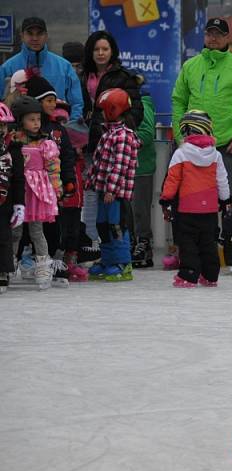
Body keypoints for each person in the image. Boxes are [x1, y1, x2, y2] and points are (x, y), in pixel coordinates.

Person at [171, 17, 232, 273]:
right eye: (209, 33)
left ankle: (231, 249)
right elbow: (178, 101)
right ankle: (190, 250)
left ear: (227, 38)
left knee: (231, 199)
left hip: (225, 145)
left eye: (218, 34)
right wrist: (181, 138)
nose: (212, 37)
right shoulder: (190, 66)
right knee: (188, 199)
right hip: (190, 147)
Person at [80, 30, 143, 260]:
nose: (100, 53)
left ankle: (124, 251)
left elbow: (136, 110)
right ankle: (95, 247)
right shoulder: (83, 75)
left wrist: (121, 129)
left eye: (105, 49)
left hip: (113, 142)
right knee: (92, 199)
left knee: (117, 199)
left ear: (112, 51)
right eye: (96, 49)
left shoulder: (123, 77)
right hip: (89, 143)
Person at [159, 110, 231, 288]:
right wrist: (226, 200)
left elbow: (172, 179)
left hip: (186, 209)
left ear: (187, 130)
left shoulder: (181, 154)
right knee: (208, 243)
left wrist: (166, 201)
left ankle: (188, 275)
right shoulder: (216, 155)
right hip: (210, 210)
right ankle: (211, 275)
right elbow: (222, 180)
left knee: (188, 243)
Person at [24, 72, 80, 285]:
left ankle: (50, 261)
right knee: (31, 226)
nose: (53, 103)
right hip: (31, 189)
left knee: (54, 225)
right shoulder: (27, 130)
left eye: (54, 100)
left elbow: (66, 157)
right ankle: (28, 261)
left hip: (52, 189)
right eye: (48, 100)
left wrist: (68, 180)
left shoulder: (58, 130)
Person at [85, 88, 140, 282]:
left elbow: (120, 166)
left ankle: (122, 264)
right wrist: (91, 181)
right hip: (103, 192)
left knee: (117, 226)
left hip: (116, 194)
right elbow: (99, 161)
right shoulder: (108, 133)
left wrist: (111, 189)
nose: (100, 114)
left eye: (103, 110)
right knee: (102, 225)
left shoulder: (123, 136)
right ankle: (108, 260)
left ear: (113, 110)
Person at [9, 95, 61, 290]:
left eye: (38, 119)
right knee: (15, 231)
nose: (36, 123)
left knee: (37, 231)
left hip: (37, 192)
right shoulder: (13, 140)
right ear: (21, 119)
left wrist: (57, 188)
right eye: (31, 119)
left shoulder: (45, 143)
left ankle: (43, 265)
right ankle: (9, 264)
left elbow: (53, 167)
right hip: (20, 191)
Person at [0, 17, 83, 120]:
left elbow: (77, 103)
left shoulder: (64, 67)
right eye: (30, 33)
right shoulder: (7, 68)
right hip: (19, 132)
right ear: (22, 36)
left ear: (46, 36)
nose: (35, 38)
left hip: (58, 131)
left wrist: (69, 127)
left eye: (39, 33)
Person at [131, 77, 156, 269]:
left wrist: (124, 142)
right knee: (130, 210)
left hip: (141, 167)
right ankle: (133, 242)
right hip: (130, 166)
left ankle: (143, 243)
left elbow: (147, 134)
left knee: (140, 210)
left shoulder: (143, 105)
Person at [0, 103, 25, 294]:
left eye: (3, 125)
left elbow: (18, 179)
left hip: (5, 200)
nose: (1, 129)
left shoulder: (13, 149)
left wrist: (19, 204)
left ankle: (3, 271)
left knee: (4, 236)